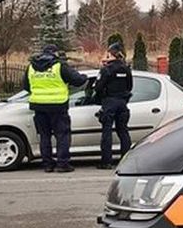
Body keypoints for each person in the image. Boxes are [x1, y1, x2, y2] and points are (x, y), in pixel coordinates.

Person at [20, 44, 88, 172]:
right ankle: (62, 164)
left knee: (44, 136)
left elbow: (26, 86)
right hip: (58, 106)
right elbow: (78, 80)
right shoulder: (59, 66)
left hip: (39, 106)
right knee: (62, 135)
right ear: (55, 53)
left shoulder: (31, 67)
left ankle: (47, 164)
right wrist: (84, 77)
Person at [95, 41, 134, 169]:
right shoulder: (126, 69)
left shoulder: (107, 70)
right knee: (123, 131)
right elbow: (130, 86)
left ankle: (106, 162)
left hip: (109, 103)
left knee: (107, 132)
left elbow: (98, 87)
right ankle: (125, 161)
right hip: (122, 103)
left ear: (111, 54)